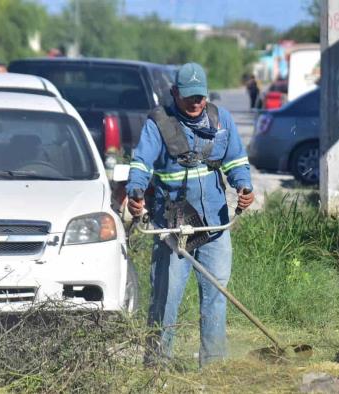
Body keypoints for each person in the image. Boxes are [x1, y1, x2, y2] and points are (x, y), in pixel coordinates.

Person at [126, 62, 255, 367]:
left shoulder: (220, 119)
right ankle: (157, 366)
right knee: (166, 298)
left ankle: (213, 367)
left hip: (214, 225)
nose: (196, 103)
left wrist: (244, 186)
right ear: (174, 93)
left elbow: (236, 159)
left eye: (200, 97)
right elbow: (142, 161)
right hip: (173, 228)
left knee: (215, 295)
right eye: (189, 98)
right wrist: (136, 190)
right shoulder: (159, 123)